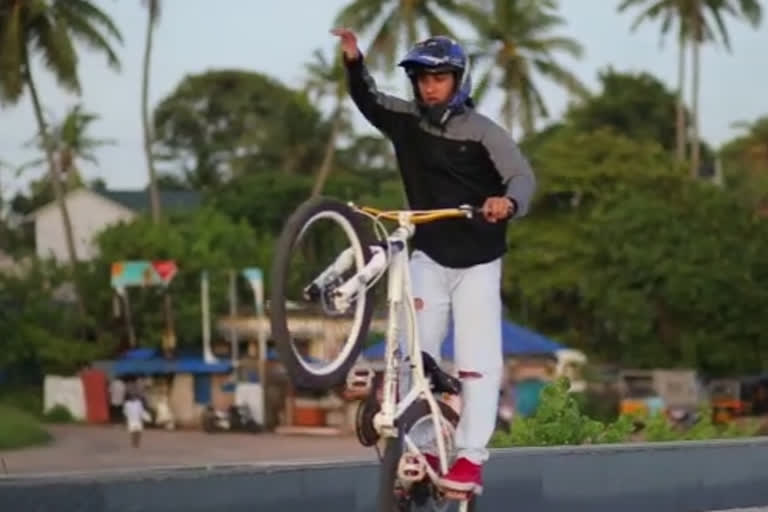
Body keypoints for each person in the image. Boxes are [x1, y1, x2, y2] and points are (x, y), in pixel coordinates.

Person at [331, 28, 536, 495]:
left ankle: (470, 459)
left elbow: (522, 177)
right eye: (422, 78)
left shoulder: (484, 132)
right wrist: (352, 60)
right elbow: (368, 100)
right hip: (429, 256)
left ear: (458, 80)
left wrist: (508, 203)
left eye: (439, 77)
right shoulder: (406, 122)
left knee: (476, 364)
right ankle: (420, 445)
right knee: (411, 355)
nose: (429, 86)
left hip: (478, 262)